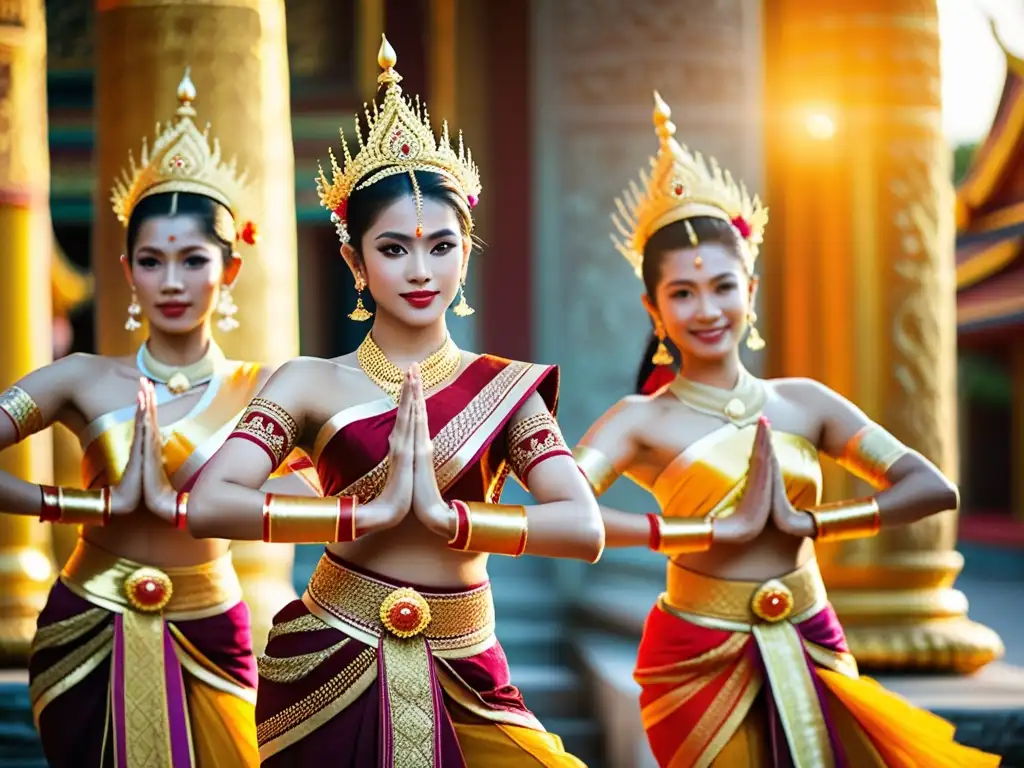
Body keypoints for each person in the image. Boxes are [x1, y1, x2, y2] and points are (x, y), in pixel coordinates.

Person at [185, 36, 604, 767]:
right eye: (394, 249)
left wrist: (450, 519)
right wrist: (360, 515)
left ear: (466, 251)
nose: (421, 270)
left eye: (442, 246)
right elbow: (212, 503)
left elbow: (583, 525)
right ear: (353, 259)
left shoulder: (504, 388)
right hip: (329, 659)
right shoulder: (308, 383)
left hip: (468, 661)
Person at [571, 92, 1000, 767]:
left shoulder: (806, 403)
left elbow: (932, 487)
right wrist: (702, 534)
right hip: (696, 655)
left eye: (722, 286)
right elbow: (563, 514)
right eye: (682, 293)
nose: (706, 308)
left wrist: (817, 525)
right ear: (654, 309)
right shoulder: (639, 420)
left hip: (810, 632)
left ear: (751, 289)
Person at [3, 70, 315, 767]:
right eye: (152, 261)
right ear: (127, 270)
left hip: (212, 628)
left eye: (193, 259)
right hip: (87, 627)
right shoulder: (82, 378)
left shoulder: (269, 392)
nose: (172, 282)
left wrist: (193, 507)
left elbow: (328, 497)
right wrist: (89, 504)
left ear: (229, 270)